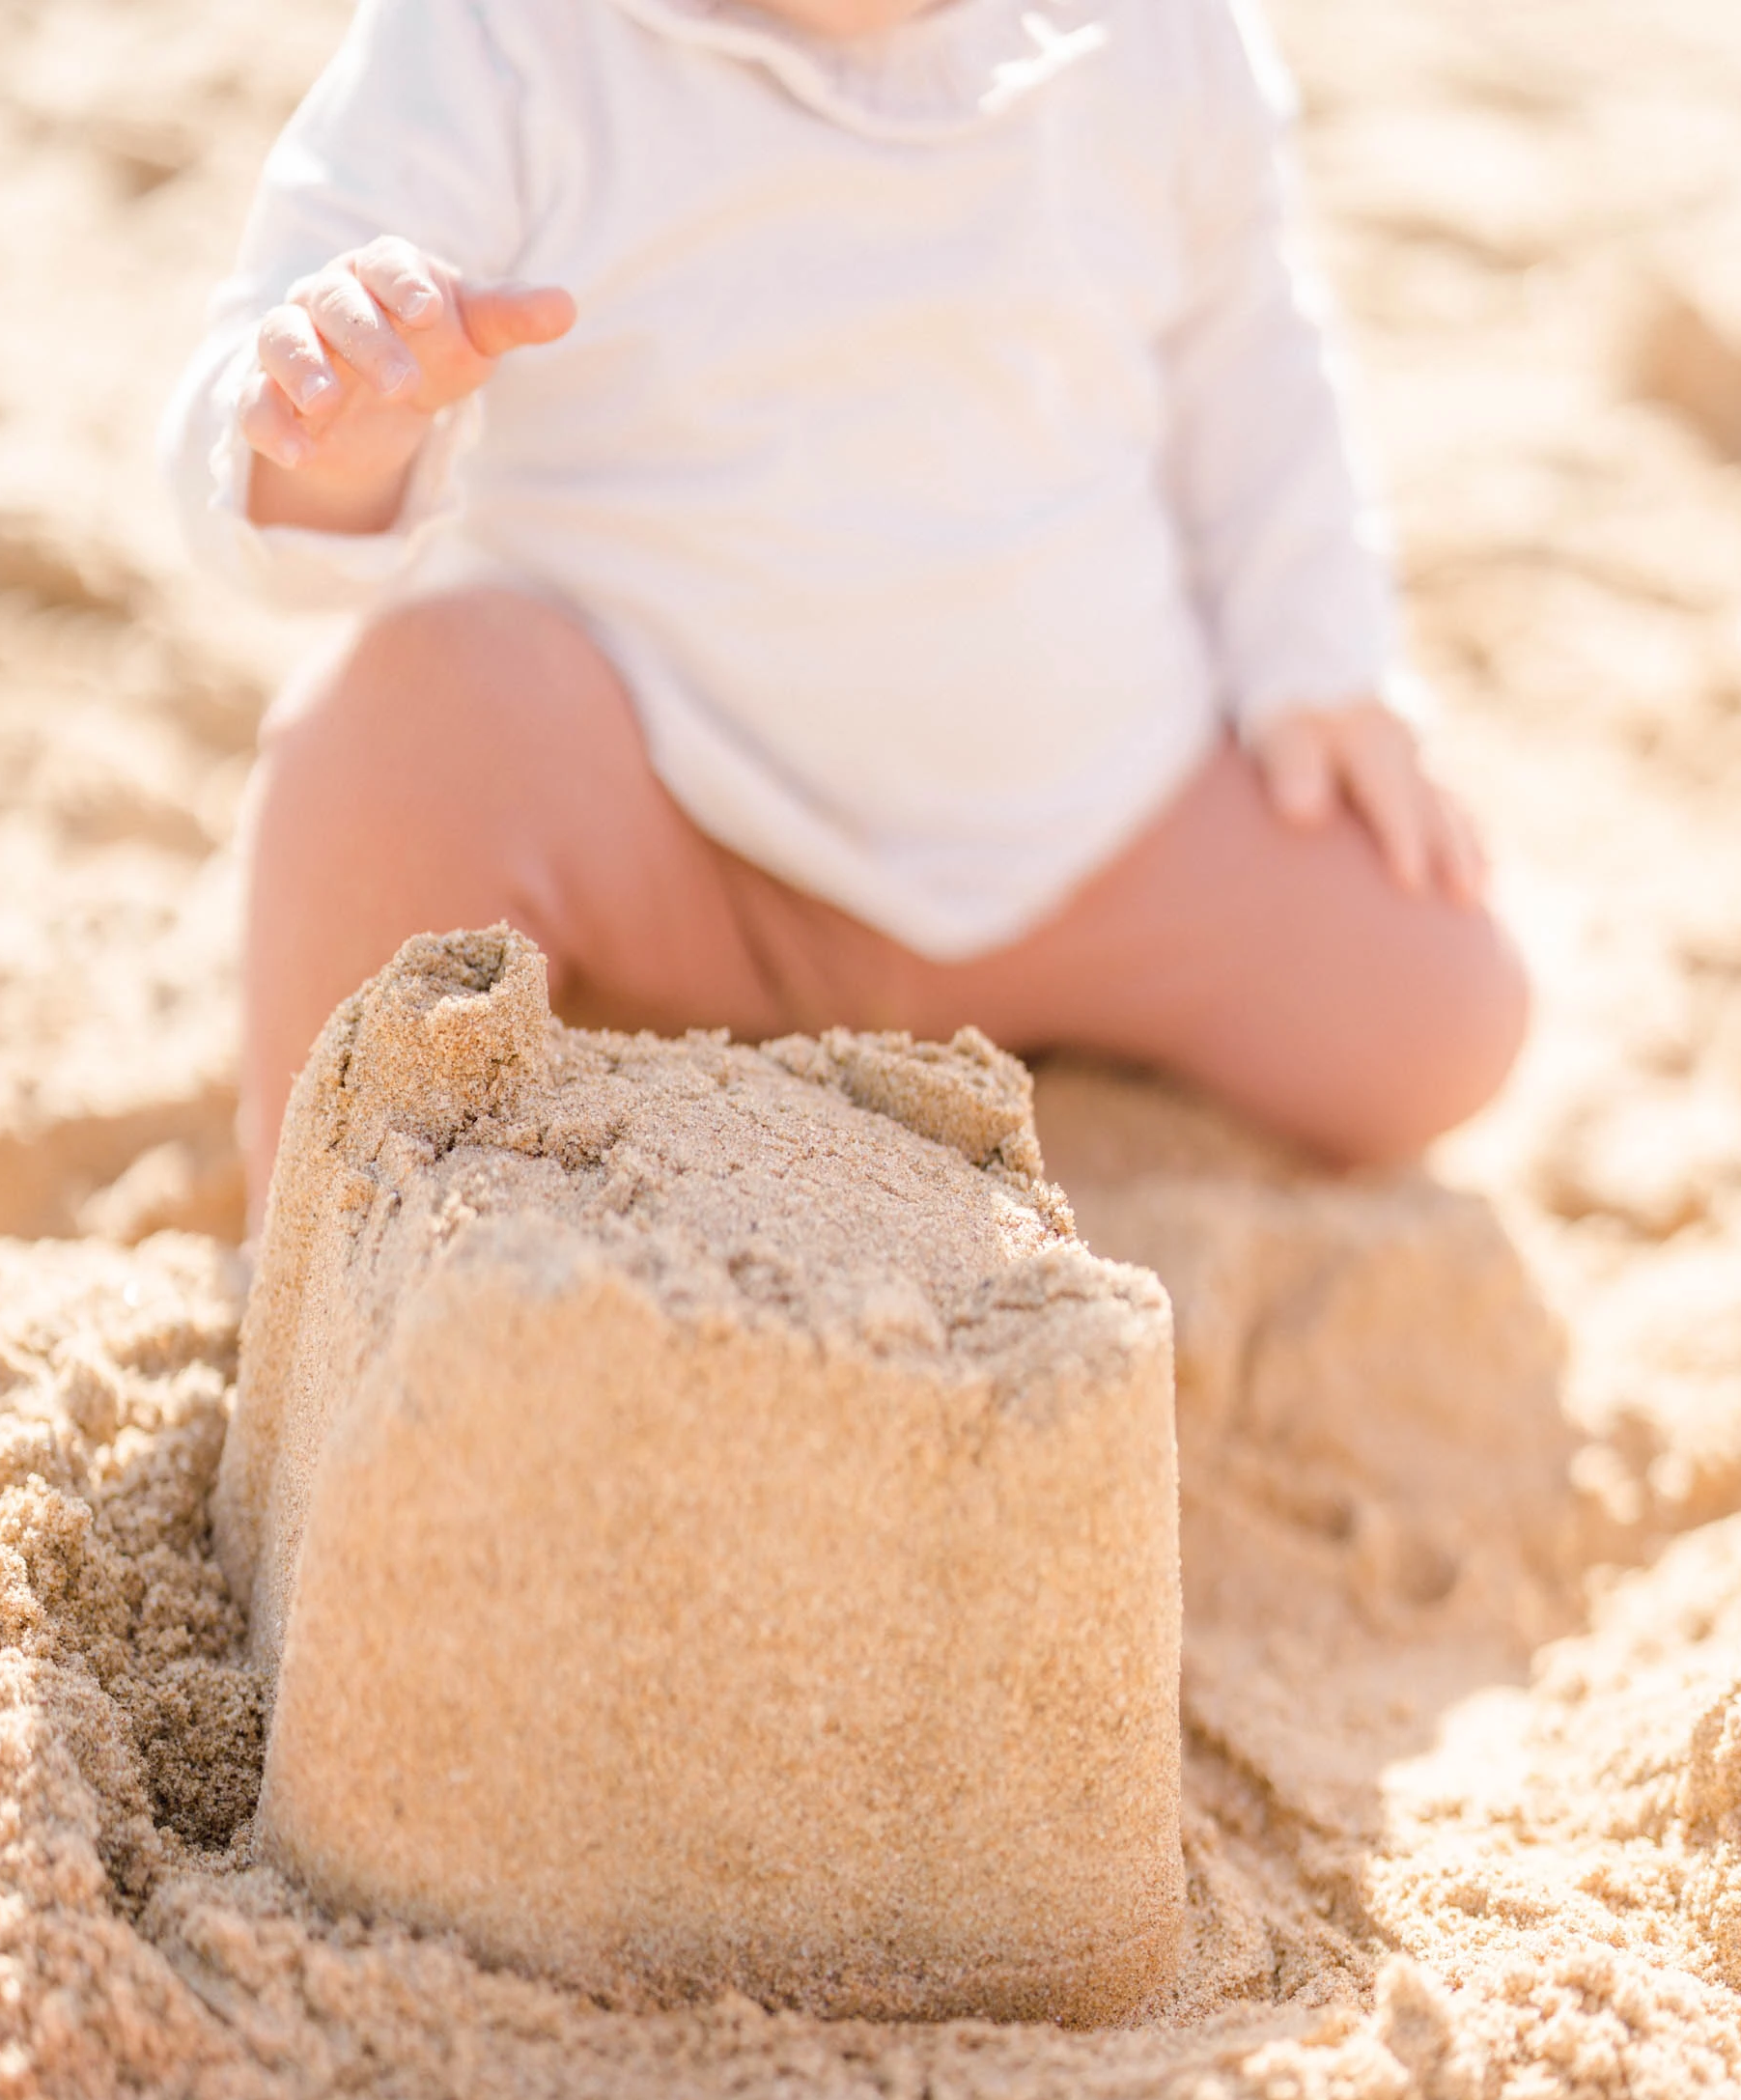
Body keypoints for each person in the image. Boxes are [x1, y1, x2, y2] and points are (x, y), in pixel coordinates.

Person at [163, 0, 1529, 1218]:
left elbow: (1249, 347)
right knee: (402, 744)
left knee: (1444, 1004)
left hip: (1094, 835)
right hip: (683, 848)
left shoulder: (1159, 30)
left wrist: (1318, 662)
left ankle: (982, 1034)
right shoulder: (496, 36)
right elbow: (255, 418)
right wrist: (336, 437)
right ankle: (339, 1254)